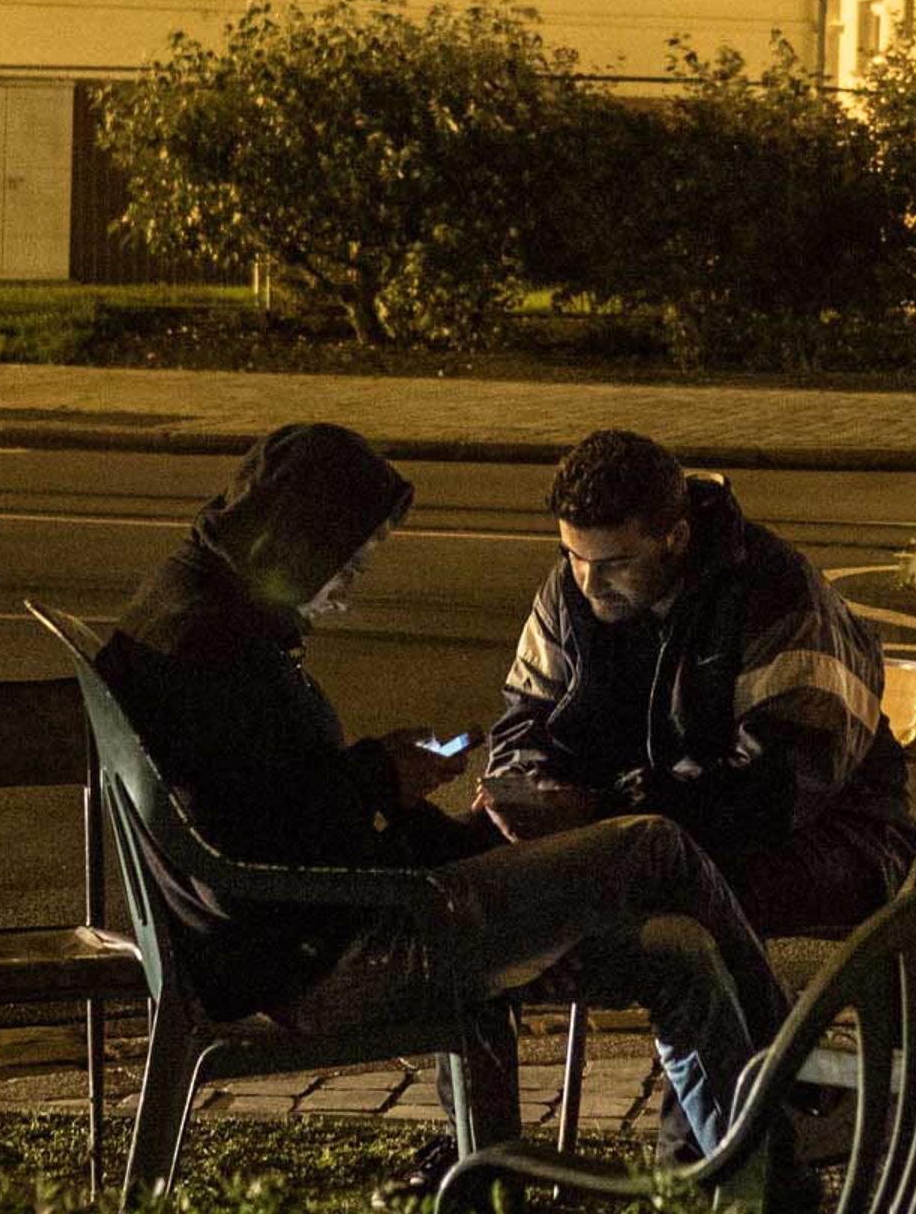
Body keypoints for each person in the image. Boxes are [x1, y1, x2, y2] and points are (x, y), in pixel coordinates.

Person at [92, 422, 802, 1180]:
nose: (356, 577)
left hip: (310, 928)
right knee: (652, 846)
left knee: (678, 957)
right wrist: (380, 780)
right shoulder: (211, 645)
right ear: (303, 536)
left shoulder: (192, 606)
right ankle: (795, 1077)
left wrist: (456, 834)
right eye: (351, 557)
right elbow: (265, 836)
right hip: (328, 956)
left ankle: (756, 1176)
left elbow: (276, 802)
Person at [477, 429, 915, 936]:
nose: (590, 584)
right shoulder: (569, 592)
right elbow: (523, 717)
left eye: (616, 563)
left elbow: (779, 787)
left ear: (677, 538)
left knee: (653, 889)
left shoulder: (774, 594)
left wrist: (606, 812)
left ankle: (752, 1016)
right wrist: (527, 791)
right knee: (467, 870)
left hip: (835, 839)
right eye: (574, 555)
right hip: (639, 827)